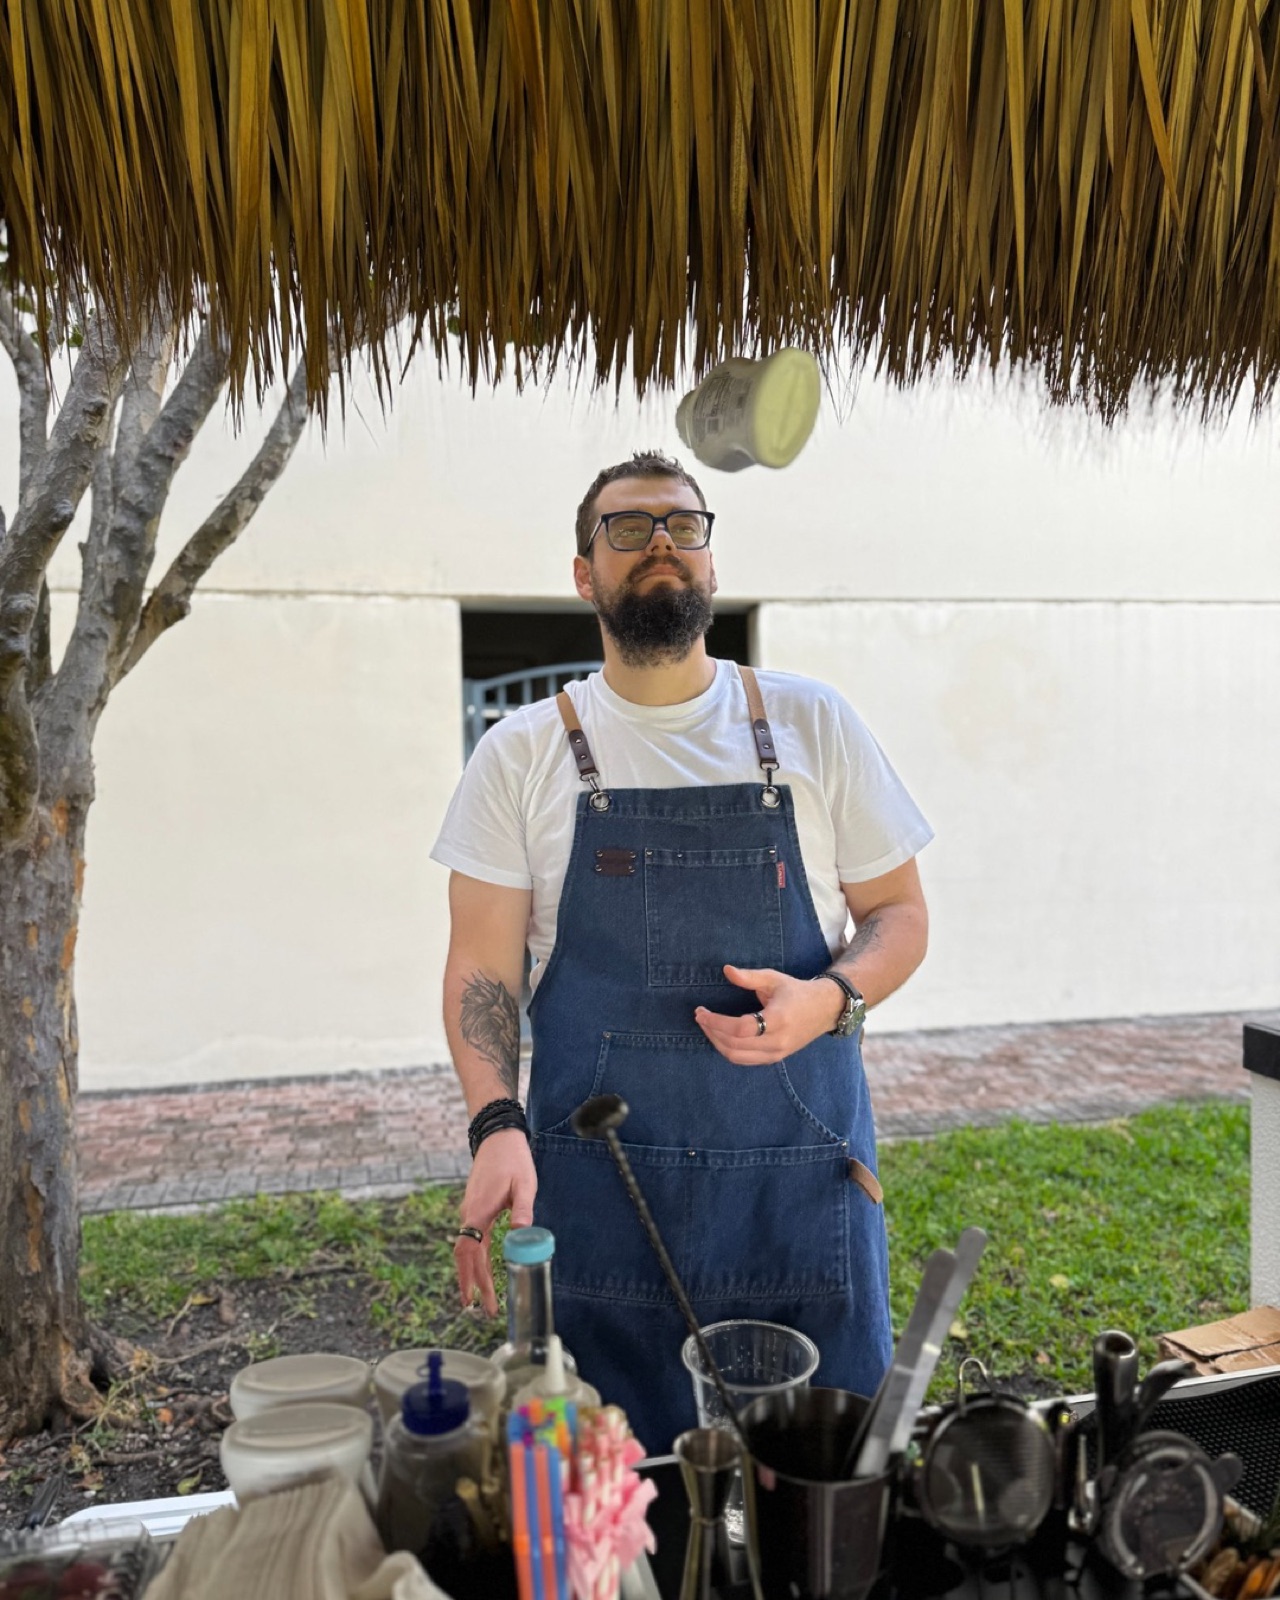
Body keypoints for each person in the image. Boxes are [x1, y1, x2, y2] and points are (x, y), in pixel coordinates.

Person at [431, 449, 933, 1452]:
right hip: (602, 1201)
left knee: (823, 1495)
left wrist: (828, 998)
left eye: (682, 523)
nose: (660, 540)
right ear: (584, 573)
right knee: (619, 1502)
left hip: (796, 1194)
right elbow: (483, 964)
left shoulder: (811, 723)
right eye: (627, 527)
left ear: (709, 560)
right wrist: (494, 1122)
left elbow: (899, 916)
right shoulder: (520, 754)